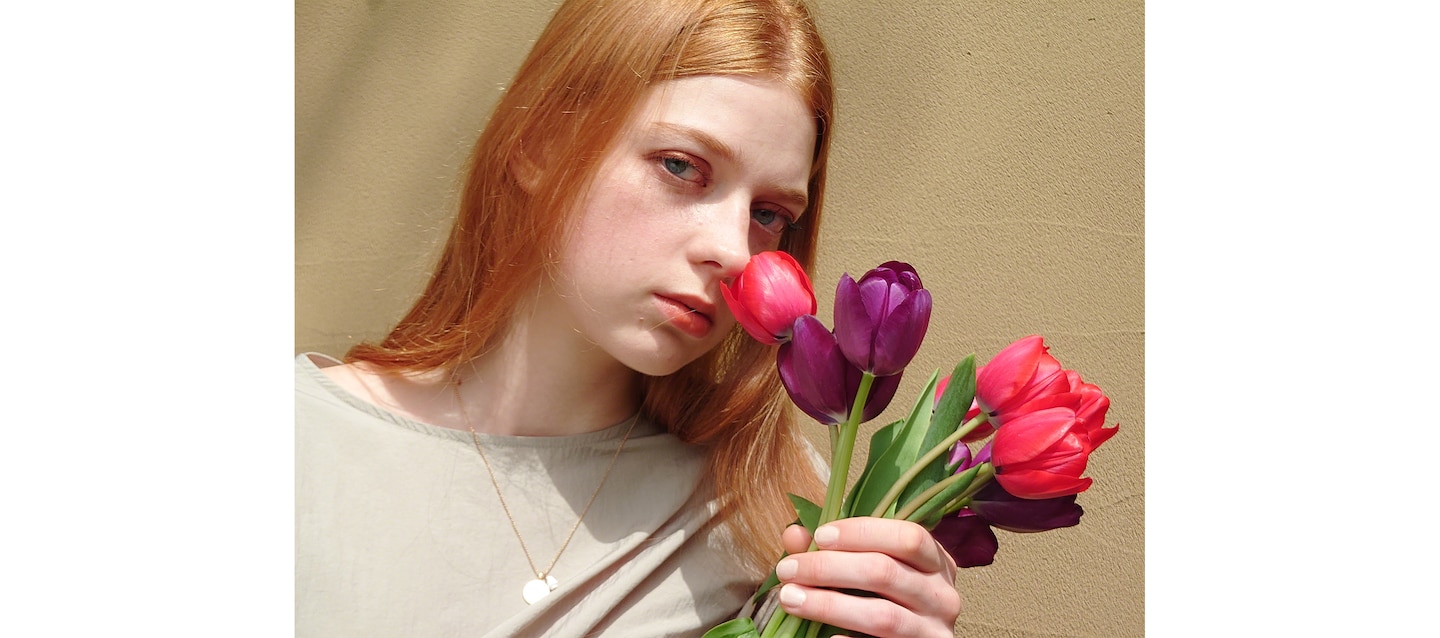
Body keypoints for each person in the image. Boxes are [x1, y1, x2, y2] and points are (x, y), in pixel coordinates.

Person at [296, 0, 964, 635]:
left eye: (769, 216)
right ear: (542, 147)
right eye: (681, 167)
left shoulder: (778, 510)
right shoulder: (293, 441)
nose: (735, 252)